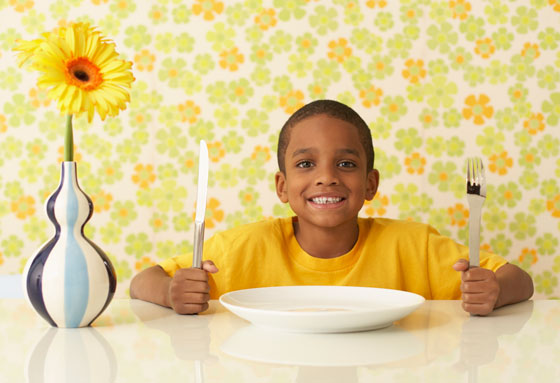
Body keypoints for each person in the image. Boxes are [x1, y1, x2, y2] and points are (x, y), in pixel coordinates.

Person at [130, 99, 534, 316]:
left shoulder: (415, 246)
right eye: (306, 164)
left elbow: (520, 280)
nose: (327, 177)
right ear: (282, 186)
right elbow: (141, 281)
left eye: (346, 164)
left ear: (370, 184)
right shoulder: (242, 248)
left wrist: (494, 290)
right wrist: (170, 291)